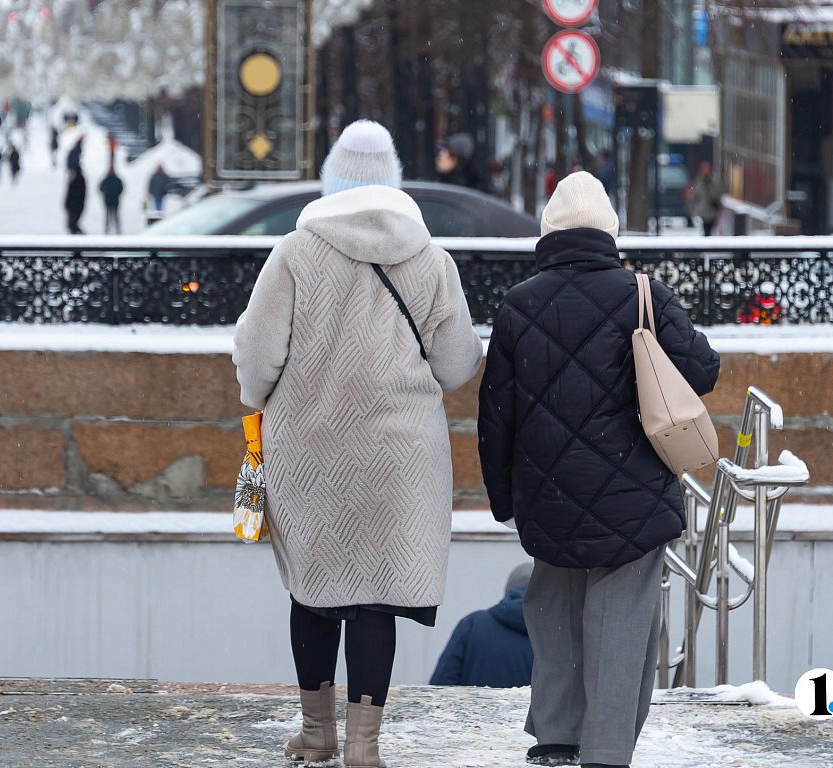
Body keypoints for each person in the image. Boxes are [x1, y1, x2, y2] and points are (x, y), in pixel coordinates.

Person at [233, 120, 482, 768]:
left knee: (315, 593)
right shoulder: (431, 258)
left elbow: (257, 356)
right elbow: (459, 363)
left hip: (309, 447)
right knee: (378, 596)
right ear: (394, 183)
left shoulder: (295, 252)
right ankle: (364, 748)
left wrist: (261, 396)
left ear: (331, 183)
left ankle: (317, 736)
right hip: (401, 460)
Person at [478, 171, 720, 768]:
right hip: (632, 496)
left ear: (549, 232)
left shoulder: (518, 306)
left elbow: (496, 416)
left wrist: (505, 497)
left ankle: (556, 738)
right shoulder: (644, 294)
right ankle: (608, 752)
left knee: (554, 610)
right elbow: (703, 372)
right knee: (621, 622)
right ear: (610, 232)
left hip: (548, 496)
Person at [429, 562, 534, 688]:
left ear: (507, 591)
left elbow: (440, 686)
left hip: (471, 707)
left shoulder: (472, 624)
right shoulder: (554, 638)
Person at [688, 161, 724, 236]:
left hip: (712, 211)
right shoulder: (699, 181)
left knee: (710, 230)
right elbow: (695, 196)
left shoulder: (715, 181)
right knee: (706, 230)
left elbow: (719, 193)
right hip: (703, 211)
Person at [99, 166, 124, 234]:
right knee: (108, 216)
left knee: (115, 216)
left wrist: (117, 193)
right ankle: (107, 230)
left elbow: (121, 188)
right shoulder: (107, 180)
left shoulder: (116, 180)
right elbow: (100, 187)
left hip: (114, 200)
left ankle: (117, 230)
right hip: (109, 200)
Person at [65, 166, 86, 234]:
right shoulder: (75, 180)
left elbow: (71, 193)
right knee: (72, 224)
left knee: (72, 224)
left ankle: (78, 237)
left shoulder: (76, 180)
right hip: (74, 206)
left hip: (75, 206)